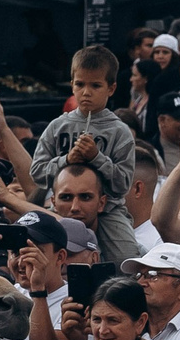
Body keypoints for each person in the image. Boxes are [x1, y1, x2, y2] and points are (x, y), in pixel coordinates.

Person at [30, 47, 141, 265]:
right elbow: (37, 173)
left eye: (95, 85)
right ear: (72, 84)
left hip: (108, 212)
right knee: (38, 256)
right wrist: (66, 161)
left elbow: (123, 184)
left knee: (125, 261)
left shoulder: (119, 131)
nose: (86, 92)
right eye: (80, 84)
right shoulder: (58, 126)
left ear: (111, 88)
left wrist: (97, 157)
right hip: (62, 209)